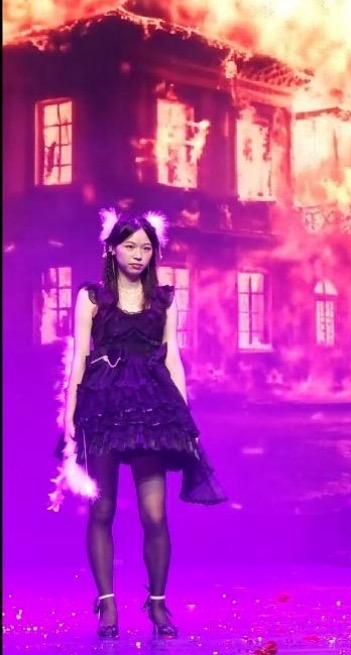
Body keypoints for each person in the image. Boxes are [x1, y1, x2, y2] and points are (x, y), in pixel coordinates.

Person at [53, 208, 226, 639]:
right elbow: (79, 357)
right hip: (103, 407)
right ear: (112, 249)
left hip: (151, 408)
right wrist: (69, 414)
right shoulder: (92, 298)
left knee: (154, 514)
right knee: (103, 509)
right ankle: (107, 604)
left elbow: (173, 358)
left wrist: (183, 414)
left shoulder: (163, 300)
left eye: (146, 248)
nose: (138, 254)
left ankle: (158, 603)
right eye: (130, 246)